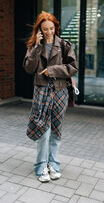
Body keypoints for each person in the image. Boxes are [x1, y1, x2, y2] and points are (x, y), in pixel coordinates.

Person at [23, 11, 78, 182]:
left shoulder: (64, 45)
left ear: (56, 28)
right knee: (42, 130)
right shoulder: (33, 46)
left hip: (60, 91)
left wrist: (53, 70)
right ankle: (41, 166)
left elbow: (73, 67)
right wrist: (38, 47)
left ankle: (53, 164)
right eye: (45, 29)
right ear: (39, 29)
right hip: (41, 91)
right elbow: (29, 68)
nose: (49, 32)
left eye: (51, 29)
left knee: (56, 131)